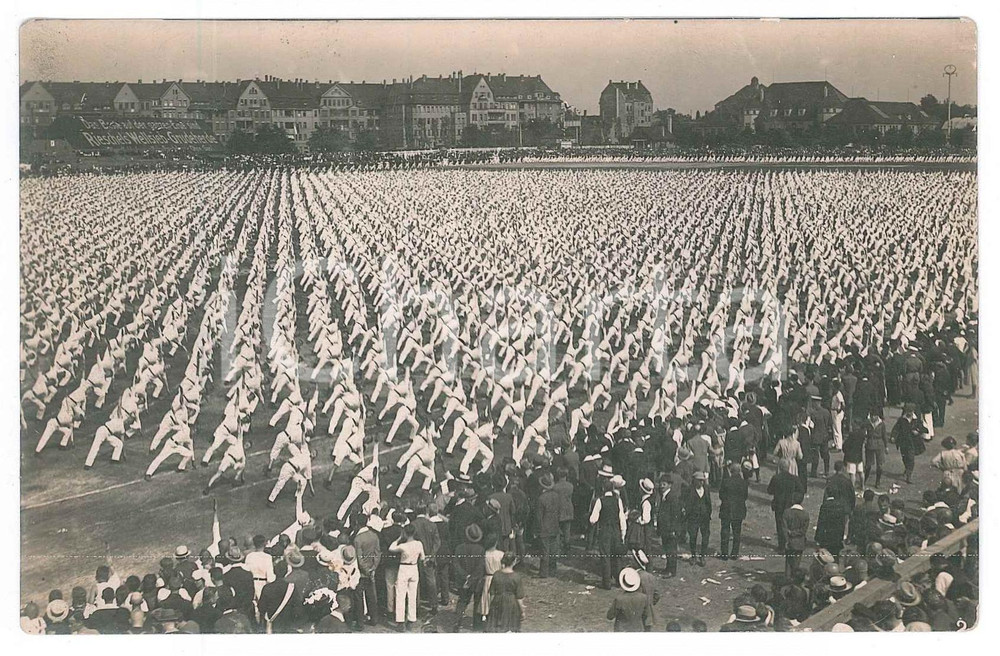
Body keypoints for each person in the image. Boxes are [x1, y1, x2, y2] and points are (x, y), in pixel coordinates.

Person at [388, 523, 425, 631]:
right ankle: (411, 619)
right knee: (412, 595)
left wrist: (399, 538)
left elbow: (391, 548)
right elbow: (422, 558)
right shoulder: (419, 544)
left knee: (400, 595)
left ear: (405, 533)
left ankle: (400, 621)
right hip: (414, 568)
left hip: (404, 568)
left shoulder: (403, 546)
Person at [767, 458, 802, 554]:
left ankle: (781, 546)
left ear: (780, 467)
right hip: (790, 504)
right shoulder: (794, 478)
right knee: (791, 525)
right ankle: (790, 544)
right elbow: (801, 490)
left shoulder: (776, 478)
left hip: (779, 504)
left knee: (780, 525)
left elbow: (769, 491)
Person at [485, 552, 524, 632]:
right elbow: (519, 597)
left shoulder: (496, 575)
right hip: (511, 603)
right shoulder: (516, 577)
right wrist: (522, 611)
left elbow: (491, 594)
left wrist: (491, 607)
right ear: (514, 562)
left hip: (497, 602)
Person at [606, 568, 652, 632]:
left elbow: (610, 616)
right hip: (638, 629)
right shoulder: (644, 598)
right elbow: (646, 615)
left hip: (622, 630)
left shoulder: (619, 599)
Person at [718, 462, 748, 560]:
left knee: (725, 531)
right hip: (739, 510)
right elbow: (745, 497)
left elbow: (721, 496)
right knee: (736, 532)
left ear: (731, 471)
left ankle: (724, 554)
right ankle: (734, 553)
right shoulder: (744, 483)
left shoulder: (726, 481)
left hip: (726, 509)